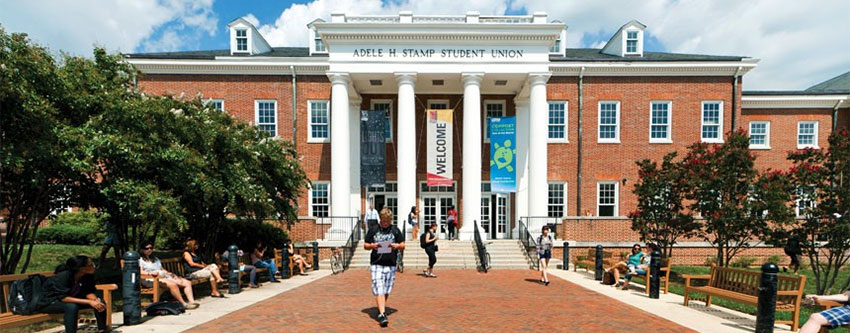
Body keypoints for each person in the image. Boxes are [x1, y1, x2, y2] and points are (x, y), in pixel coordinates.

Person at [37, 256, 110, 333]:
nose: (94, 266)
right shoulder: (63, 276)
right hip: (49, 302)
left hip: (70, 301)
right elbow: (63, 298)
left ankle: (102, 330)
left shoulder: (87, 276)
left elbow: (88, 291)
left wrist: (95, 300)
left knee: (100, 301)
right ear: (82, 268)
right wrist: (89, 302)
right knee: (71, 307)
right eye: (91, 264)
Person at [364, 207, 405, 327]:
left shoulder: (395, 230)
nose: (385, 223)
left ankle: (381, 307)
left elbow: (403, 245)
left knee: (386, 289)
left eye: (387, 221)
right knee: (378, 286)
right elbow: (365, 245)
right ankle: (382, 314)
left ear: (390, 220)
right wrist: (373, 245)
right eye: (383, 221)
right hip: (377, 263)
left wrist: (396, 245)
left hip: (391, 264)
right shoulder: (373, 230)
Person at [138, 241, 199, 309]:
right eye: (147, 248)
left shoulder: (155, 259)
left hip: (162, 277)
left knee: (186, 282)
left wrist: (170, 273)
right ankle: (183, 304)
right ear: (142, 250)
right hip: (151, 279)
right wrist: (150, 273)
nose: (149, 250)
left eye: (151, 248)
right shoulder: (140, 260)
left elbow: (162, 269)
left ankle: (192, 302)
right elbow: (140, 272)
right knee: (172, 284)